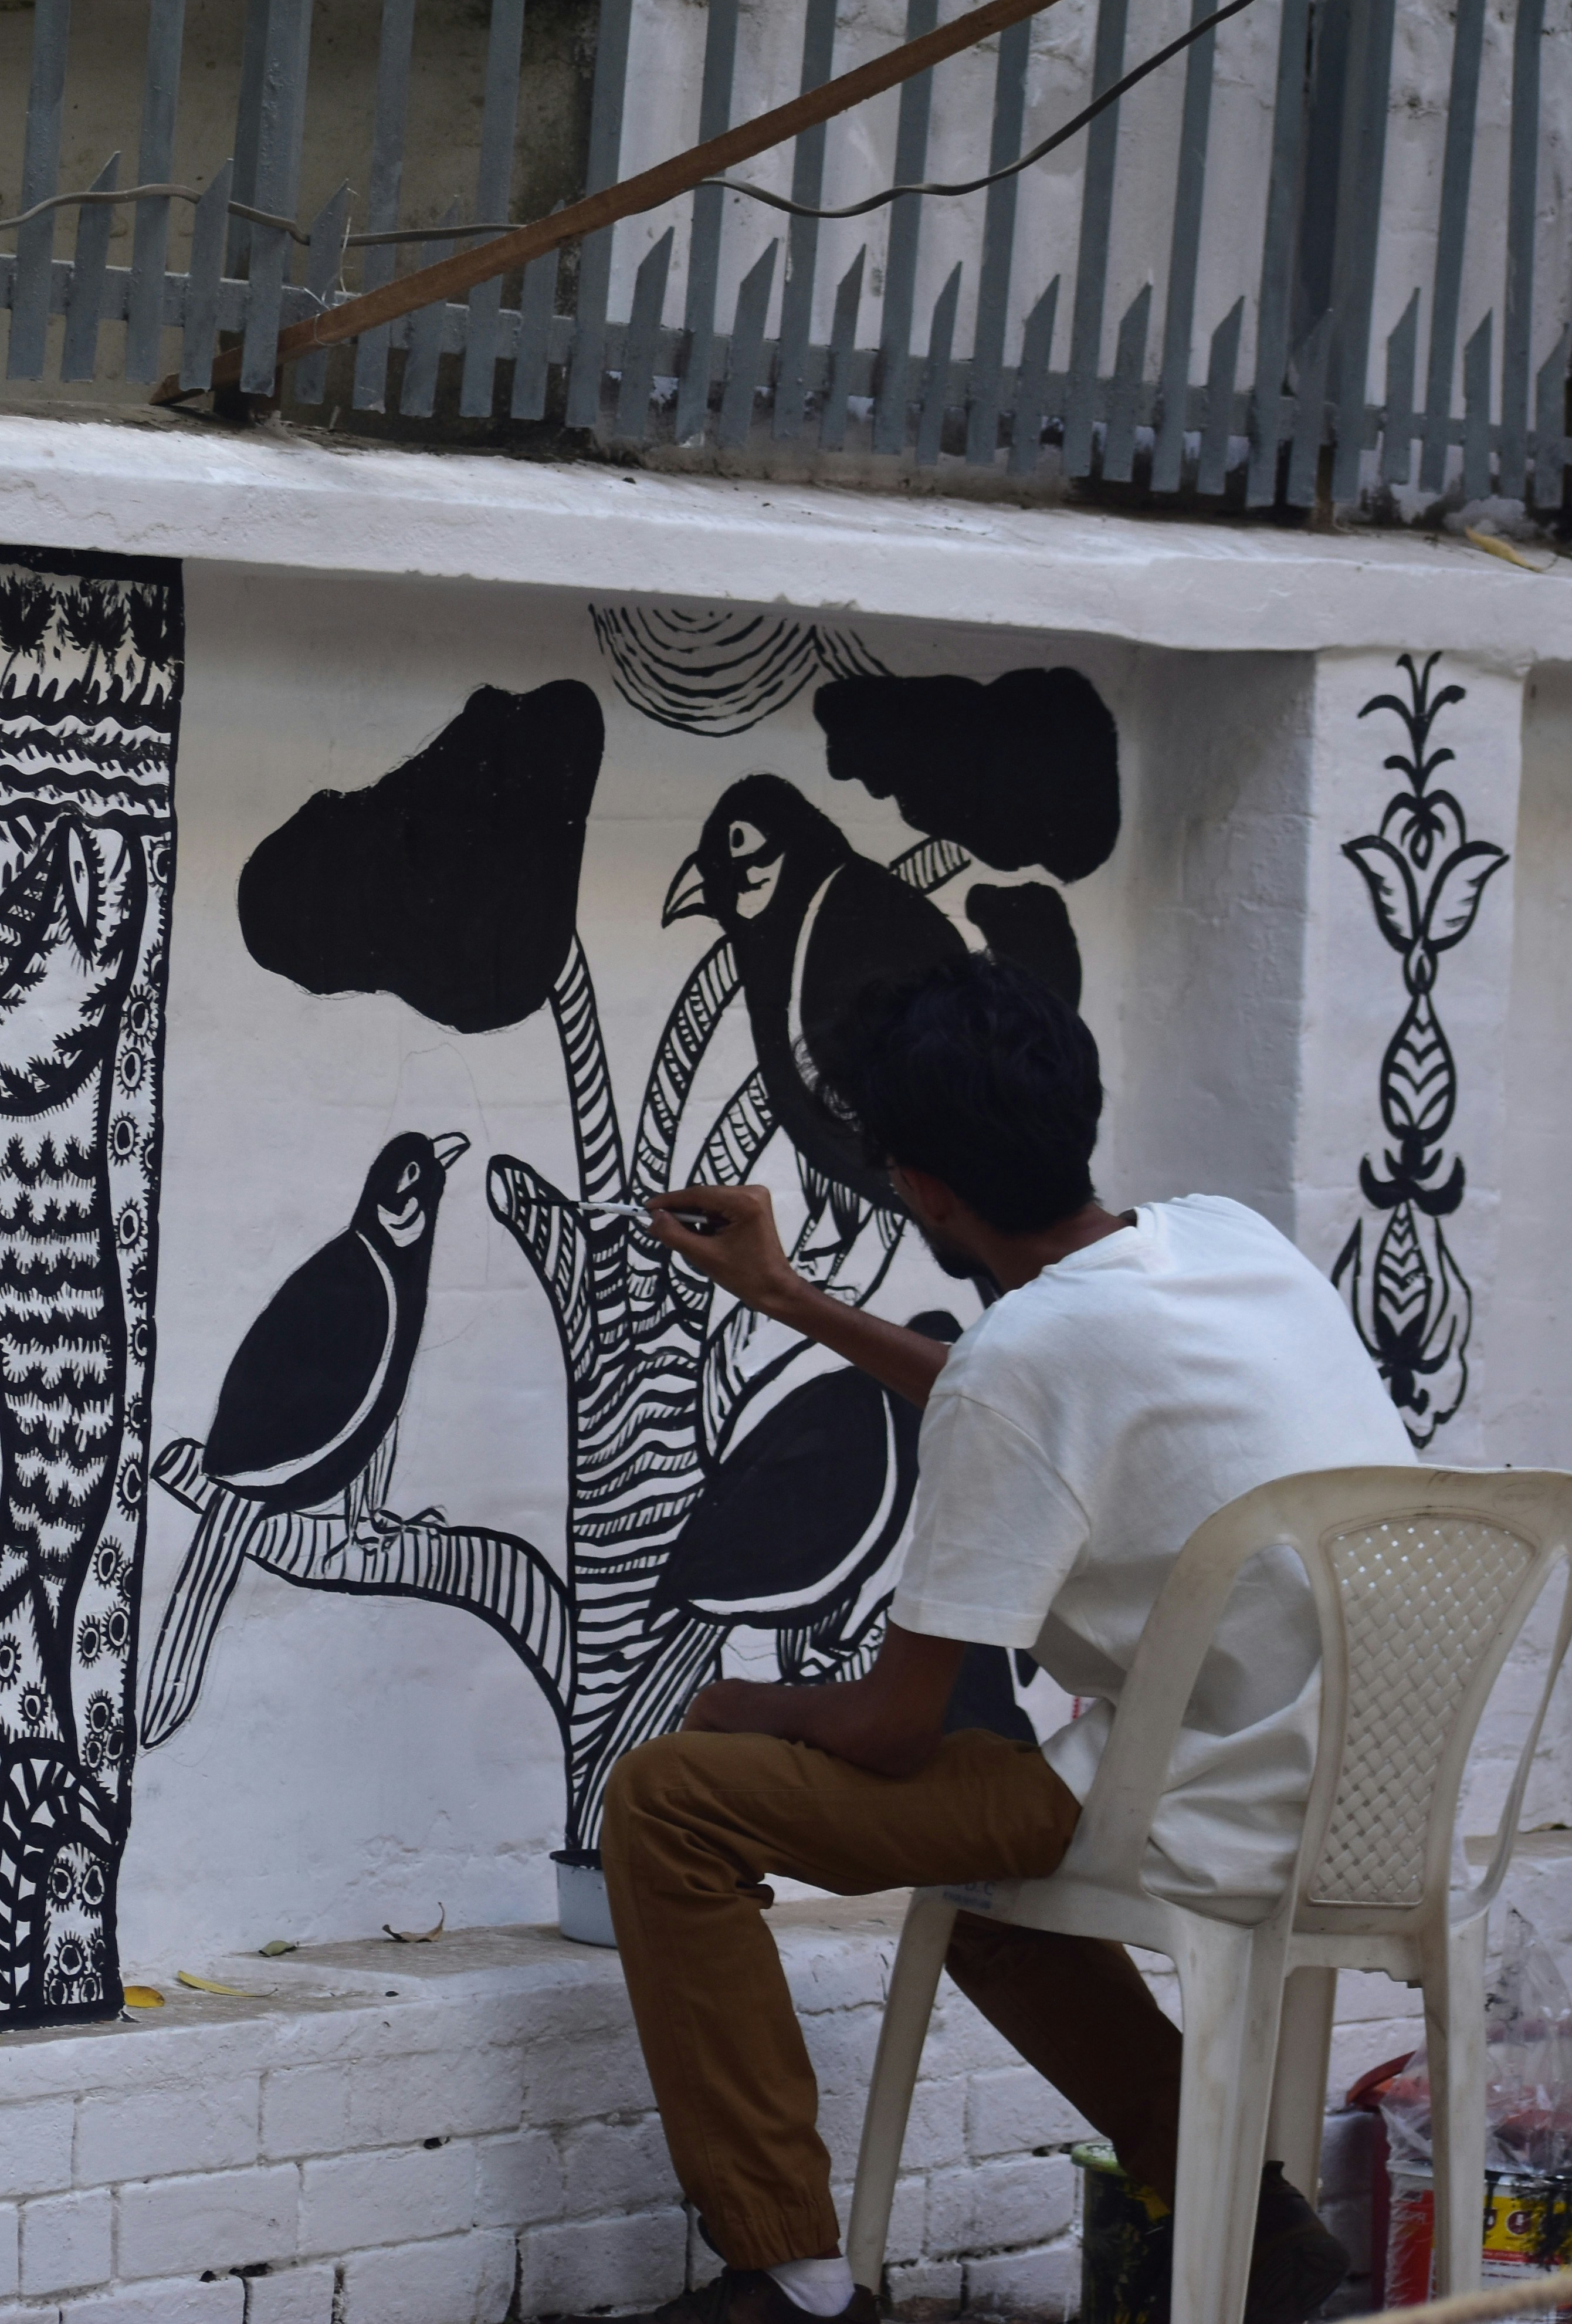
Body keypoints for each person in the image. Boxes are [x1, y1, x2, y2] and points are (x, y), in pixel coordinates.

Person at [608, 952, 1401, 2324]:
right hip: (1382, 1791)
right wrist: (795, 1300)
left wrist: (747, 1702)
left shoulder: (1024, 1363)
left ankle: (790, 2270)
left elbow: (889, 1730)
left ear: (921, 1190)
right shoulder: (1230, 1239)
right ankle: (1248, 2227)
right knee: (982, 1880)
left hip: (1205, 1806)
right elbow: (1036, 1402)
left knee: (669, 1803)